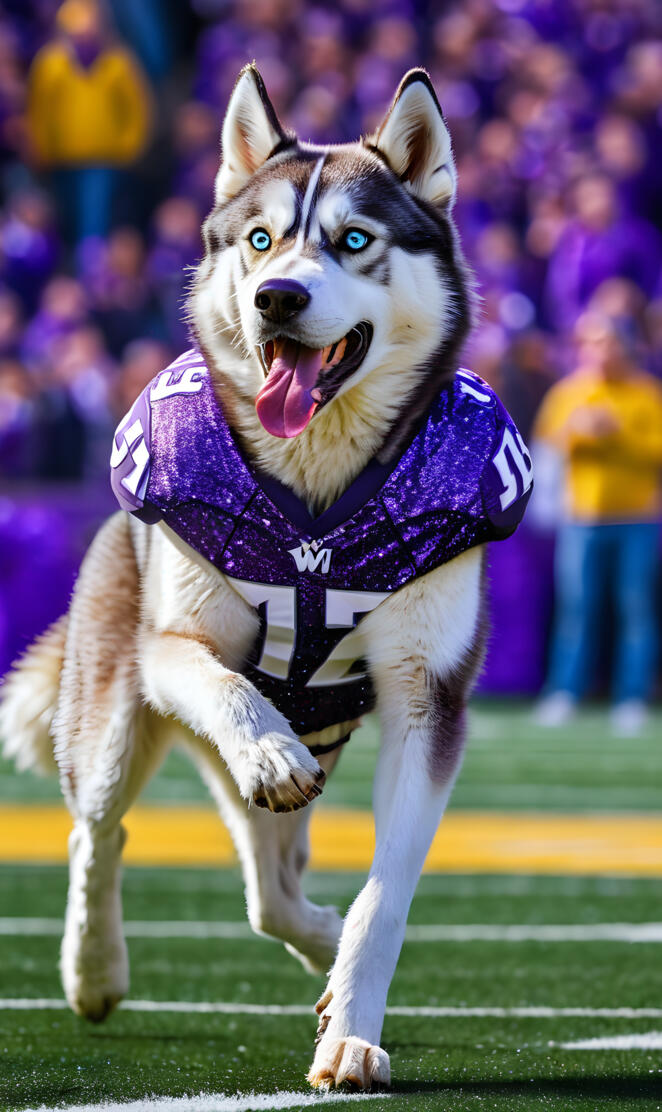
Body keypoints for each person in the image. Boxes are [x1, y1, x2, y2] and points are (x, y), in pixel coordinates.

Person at [534, 311, 662, 735]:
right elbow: (547, 447)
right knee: (576, 609)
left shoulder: (646, 394)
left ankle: (631, 697)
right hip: (582, 518)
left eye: (607, 342)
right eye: (590, 343)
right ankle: (564, 692)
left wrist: (616, 432)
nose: (599, 352)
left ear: (625, 346)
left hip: (637, 518)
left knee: (636, 609)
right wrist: (581, 432)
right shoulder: (569, 394)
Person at [26, 0, 152, 250]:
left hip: (104, 156)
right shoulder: (51, 64)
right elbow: (41, 109)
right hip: (62, 156)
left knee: (95, 217)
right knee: (68, 213)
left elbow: (136, 108)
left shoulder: (118, 62)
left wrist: (129, 146)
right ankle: (74, 261)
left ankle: (90, 265)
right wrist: (41, 146)